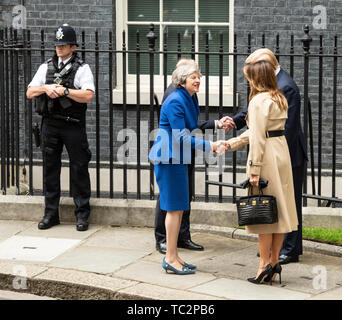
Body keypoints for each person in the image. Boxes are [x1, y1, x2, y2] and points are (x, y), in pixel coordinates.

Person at [224, 48, 307, 265]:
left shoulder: (283, 87)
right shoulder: (276, 93)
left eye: (252, 70)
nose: (249, 77)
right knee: (282, 206)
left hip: (278, 154)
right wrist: (234, 137)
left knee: (272, 208)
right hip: (280, 153)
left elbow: (269, 133)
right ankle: (274, 261)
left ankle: (276, 258)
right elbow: (261, 124)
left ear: (262, 69)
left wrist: (255, 169)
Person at [149, 61, 226, 275]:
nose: (198, 79)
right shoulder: (175, 100)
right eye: (194, 77)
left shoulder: (189, 98)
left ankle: (174, 256)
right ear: (182, 81)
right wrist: (210, 145)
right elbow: (181, 137)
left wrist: (217, 125)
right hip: (169, 158)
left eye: (199, 76)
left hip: (178, 157)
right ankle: (170, 258)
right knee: (173, 209)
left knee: (179, 207)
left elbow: (192, 128)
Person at [26, 24, 95, 231]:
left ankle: (82, 215)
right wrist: (45, 88)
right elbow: (30, 92)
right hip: (50, 124)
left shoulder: (82, 68)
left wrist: (66, 92)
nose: (59, 48)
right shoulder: (45, 67)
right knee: (50, 169)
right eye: (57, 45)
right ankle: (50, 214)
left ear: (73, 46)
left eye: (63, 45)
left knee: (79, 168)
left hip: (73, 125)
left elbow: (89, 95)